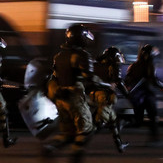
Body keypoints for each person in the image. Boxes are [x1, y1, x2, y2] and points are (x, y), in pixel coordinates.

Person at [44, 24, 98, 163]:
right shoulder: (82, 55)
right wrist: (105, 85)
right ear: (80, 38)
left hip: (60, 98)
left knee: (68, 133)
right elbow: (90, 78)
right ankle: (76, 156)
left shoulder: (59, 55)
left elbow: (54, 76)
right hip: (75, 97)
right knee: (86, 130)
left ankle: (50, 148)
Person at [124, 44, 163, 146]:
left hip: (135, 96)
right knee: (153, 116)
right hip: (147, 94)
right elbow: (153, 79)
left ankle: (121, 123)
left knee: (138, 120)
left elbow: (127, 80)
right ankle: (154, 140)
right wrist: (162, 86)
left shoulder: (133, 65)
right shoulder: (149, 65)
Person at [91, 46, 129, 153]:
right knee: (97, 124)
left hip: (93, 95)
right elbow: (118, 82)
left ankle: (119, 145)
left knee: (112, 120)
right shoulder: (113, 66)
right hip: (105, 97)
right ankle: (75, 141)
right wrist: (127, 94)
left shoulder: (96, 65)